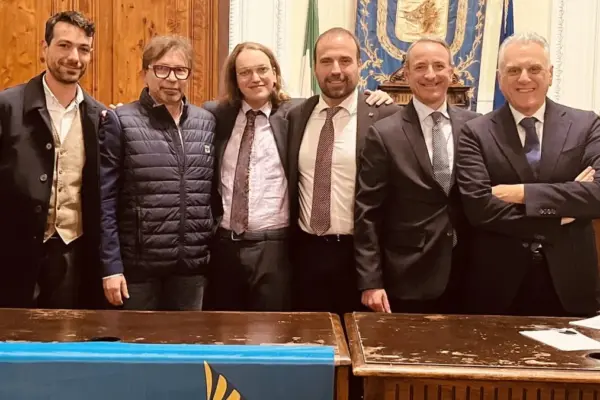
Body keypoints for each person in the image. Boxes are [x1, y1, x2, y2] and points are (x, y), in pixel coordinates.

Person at [202, 41, 392, 311]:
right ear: (235, 79)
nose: (255, 78)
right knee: (223, 328)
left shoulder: (293, 113)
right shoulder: (216, 115)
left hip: (276, 247)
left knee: (273, 329)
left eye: (262, 69)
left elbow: (344, 99)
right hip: (225, 246)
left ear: (275, 73)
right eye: (244, 72)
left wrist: (378, 97)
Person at [456, 32, 600, 317]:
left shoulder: (586, 124)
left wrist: (521, 193)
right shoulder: (475, 132)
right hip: (497, 287)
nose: (524, 78)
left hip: (571, 284)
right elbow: (479, 209)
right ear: (500, 78)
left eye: (534, 68)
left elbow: (598, 195)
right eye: (513, 70)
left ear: (550, 74)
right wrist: (563, 212)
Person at [354, 37, 480, 314]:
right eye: (421, 67)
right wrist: (371, 280)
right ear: (407, 74)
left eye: (439, 66)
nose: (430, 75)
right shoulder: (384, 134)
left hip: (469, 272)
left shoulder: (476, 126)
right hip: (408, 274)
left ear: (451, 72)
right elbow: (368, 212)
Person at [287, 28, 399, 316]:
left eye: (345, 60)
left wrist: (374, 274)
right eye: (326, 61)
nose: (335, 70)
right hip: (305, 256)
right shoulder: (296, 115)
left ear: (360, 65)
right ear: (315, 67)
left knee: (360, 340)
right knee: (310, 339)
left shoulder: (385, 116)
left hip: (360, 258)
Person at [99, 35, 216, 311]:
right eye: (162, 69)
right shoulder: (121, 121)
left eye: (180, 70)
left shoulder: (206, 122)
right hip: (139, 271)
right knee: (139, 340)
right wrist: (111, 267)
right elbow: (105, 200)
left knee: (189, 339)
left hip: (191, 270)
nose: (172, 79)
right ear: (145, 73)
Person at [0, 11, 104, 308]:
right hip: (12, 256)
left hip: (72, 257)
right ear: (44, 48)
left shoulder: (99, 117)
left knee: (66, 335)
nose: (74, 57)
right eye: (64, 46)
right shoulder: (7, 107)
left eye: (83, 49)